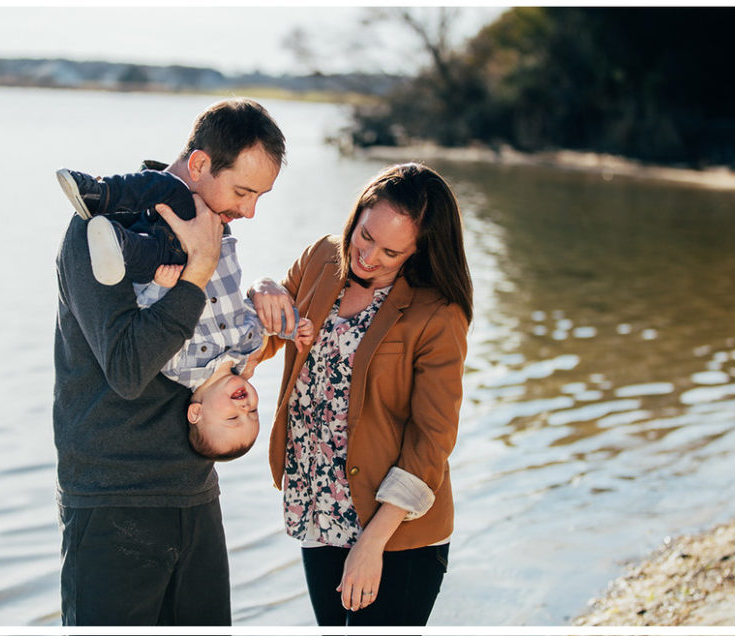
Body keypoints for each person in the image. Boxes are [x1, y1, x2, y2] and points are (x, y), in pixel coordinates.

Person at [53, 97, 285, 626]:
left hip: (195, 493)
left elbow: (221, 347)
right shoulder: (100, 232)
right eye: (243, 192)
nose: (248, 212)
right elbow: (130, 369)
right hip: (114, 500)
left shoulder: (212, 233)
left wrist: (267, 298)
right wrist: (198, 271)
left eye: (259, 197)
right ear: (200, 165)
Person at [250, 162, 473, 626]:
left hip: (396, 532)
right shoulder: (319, 260)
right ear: (358, 213)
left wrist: (373, 544)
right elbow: (265, 332)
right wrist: (261, 288)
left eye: (391, 252)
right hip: (320, 511)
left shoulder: (437, 314)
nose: (368, 256)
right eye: (365, 235)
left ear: (417, 252)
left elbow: (431, 441)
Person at [56, 166, 314, 461]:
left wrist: (157, 286)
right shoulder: (249, 348)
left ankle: (115, 243)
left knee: (146, 249)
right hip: (211, 242)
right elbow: (266, 318)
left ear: (196, 412)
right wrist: (293, 328)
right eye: (253, 412)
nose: (245, 410)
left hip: (167, 264)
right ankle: (97, 194)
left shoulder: (177, 368)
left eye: (233, 419)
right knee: (172, 189)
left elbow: (151, 321)